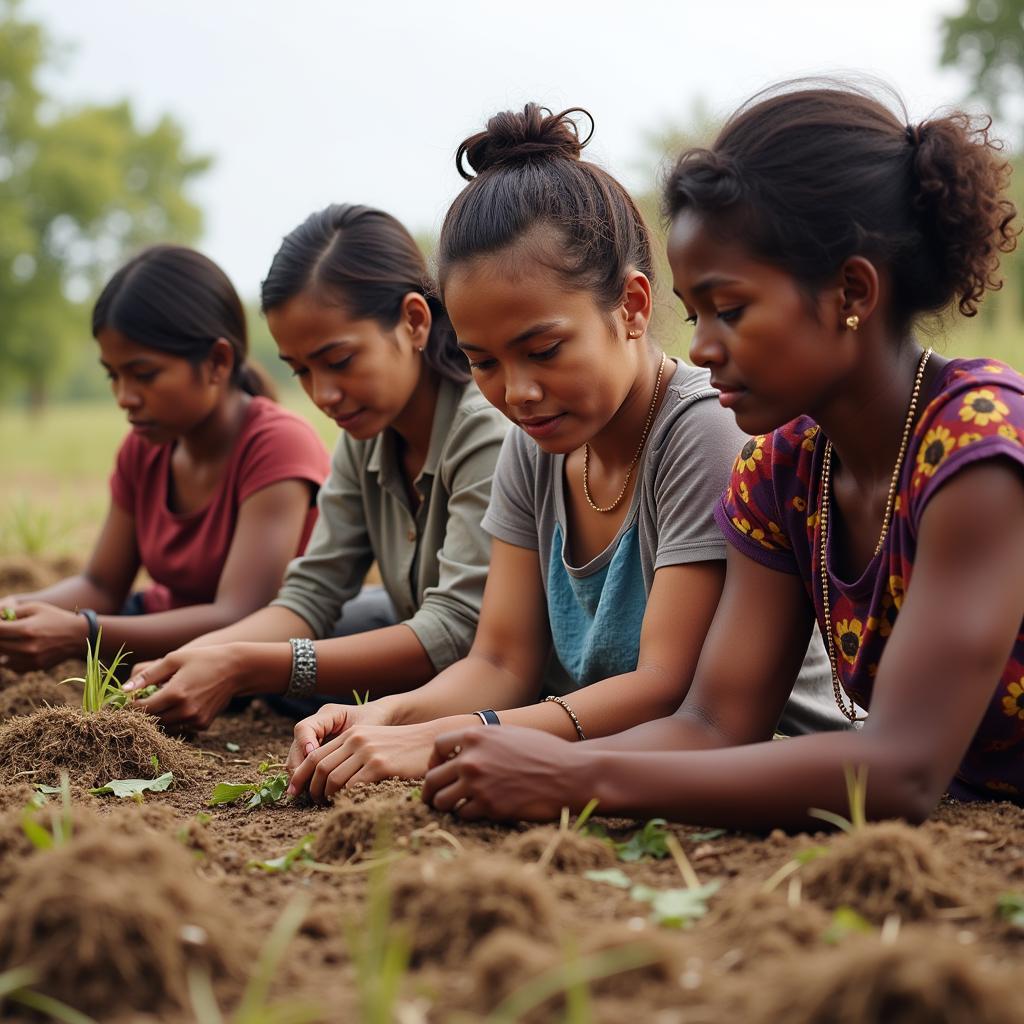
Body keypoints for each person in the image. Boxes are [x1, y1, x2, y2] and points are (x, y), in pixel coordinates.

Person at [419, 81, 1024, 827]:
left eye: (730, 310)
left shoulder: (978, 448)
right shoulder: (783, 472)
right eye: (696, 312)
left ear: (851, 291)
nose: (702, 347)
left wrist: (574, 777)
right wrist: (527, 756)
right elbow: (712, 724)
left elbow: (899, 770)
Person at [285, 105, 844, 802]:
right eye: (482, 361)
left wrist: (455, 736)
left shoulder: (701, 429)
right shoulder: (534, 447)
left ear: (633, 307)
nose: (517, 392)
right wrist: (383, 715)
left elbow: (663, 688)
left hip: (771, 767)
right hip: (618, 760)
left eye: (543, 350)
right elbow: (499, 660)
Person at [122, 205, 508, 732]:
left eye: (340, 360)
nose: (323, 394)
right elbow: (312, 593)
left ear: (414, 321)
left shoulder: (483, 428)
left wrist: (244, 666)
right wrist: (193, 657)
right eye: (301, 370)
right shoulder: (366, 435)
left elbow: (456, 628)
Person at [0, 246, 329, 671]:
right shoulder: (144, 449)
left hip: (251, 658)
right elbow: (101, 584)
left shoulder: (278, 444)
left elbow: (240, 614)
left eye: (144, 374)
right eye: (113, 375)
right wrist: (14, 611)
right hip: (156, 631)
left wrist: (86, 633)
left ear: (217, 362)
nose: (124, 397)